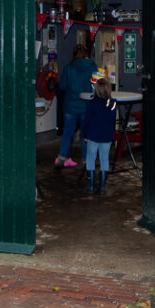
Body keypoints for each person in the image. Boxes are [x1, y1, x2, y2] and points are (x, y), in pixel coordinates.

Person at [55, 39, 98, 168]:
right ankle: (86, 161)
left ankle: (62, 158)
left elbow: (62, 86)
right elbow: (95, 86)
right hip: (86, 106)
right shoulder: (92, 66)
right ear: (86, 54)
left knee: (67, 134)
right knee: (86, 135)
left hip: (70, 106)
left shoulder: (68, 68)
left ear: (74, 54)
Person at [81, 70, 118, 195]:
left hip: (93, 135)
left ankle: (91, 186)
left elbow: (87, 121)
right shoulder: (112, 104)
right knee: (104, 159)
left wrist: (84, 135)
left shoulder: (92, 104)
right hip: (107, 136)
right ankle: (102, 187)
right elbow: (112, 121)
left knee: (90, 158)